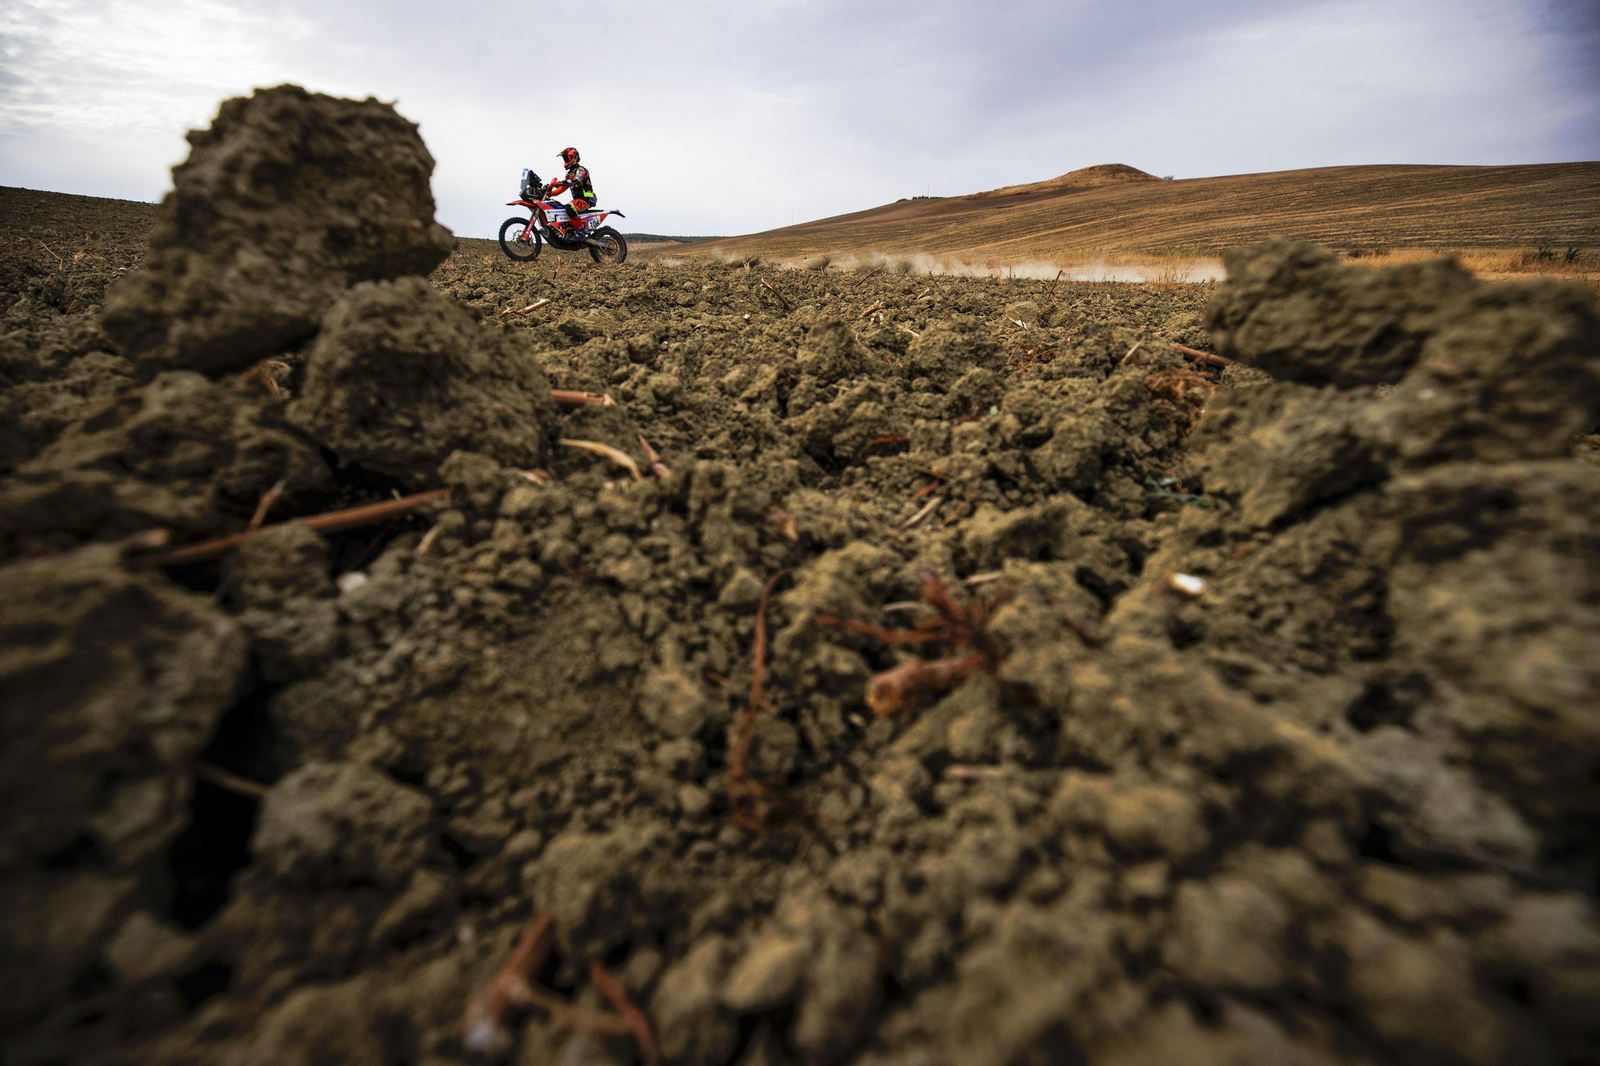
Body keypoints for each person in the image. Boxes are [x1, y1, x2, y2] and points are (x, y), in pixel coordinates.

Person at [545, 147, 596, 238]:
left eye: (566, 158)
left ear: (574, 157)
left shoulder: (581, 170)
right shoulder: (569, 173)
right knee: (561, 208)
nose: (565, 160)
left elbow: (575, 181)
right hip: (577, 200)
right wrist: (549, 193)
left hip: (586, 199)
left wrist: (557, 183)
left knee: (569, 207)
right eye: (564, 159)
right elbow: (562, 188)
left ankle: (580, 231)